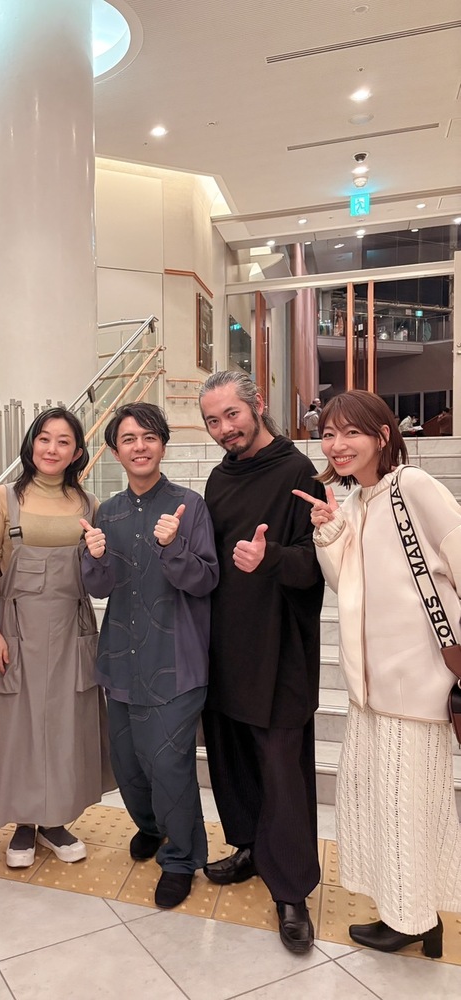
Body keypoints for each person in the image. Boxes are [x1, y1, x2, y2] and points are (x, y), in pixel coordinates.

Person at [294, 389, 461, 958]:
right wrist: (329, 531)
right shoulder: (360, 501)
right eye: (329, 434)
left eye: (351, 432)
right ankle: (413, 914)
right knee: (387, 806)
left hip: (415, 685)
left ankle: (413, 919)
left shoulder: (413, 487)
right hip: (371, 690)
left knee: (406, 808)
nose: (336, 445)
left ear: (383, 435)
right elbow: (347, 585)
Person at [198, 371, 324, 954]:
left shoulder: (299, 473)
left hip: (280, 650)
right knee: (232, 760)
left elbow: (316, 565)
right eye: (213, 421)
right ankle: (250, 847)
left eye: (232, 414)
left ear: (258, 405)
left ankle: (292, 889)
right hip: (224, 644)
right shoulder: (218, 479)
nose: (225, 428)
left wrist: (269, 557)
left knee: (282, 772)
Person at [81, 403, 218, 909]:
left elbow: (205, 579)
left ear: (162, 444)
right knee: (127, 762)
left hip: (175, 660)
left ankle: (181, 858)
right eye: (128, 439)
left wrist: (173, 546)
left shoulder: (188, 506)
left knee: (168, 764)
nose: (139, 446)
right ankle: (152, 826)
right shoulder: (108, 512)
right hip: (122, 656)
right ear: (114, 451)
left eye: (148, 437)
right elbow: (100, 587)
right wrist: (94, 556)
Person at [0, 408, 111, 869]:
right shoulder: (3, 500)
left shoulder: (89, 504)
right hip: (16, 631)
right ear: (31, 443)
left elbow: (99, 571)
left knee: (67, 725)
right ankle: (23, 822)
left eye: (63, 441)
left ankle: (55, 821)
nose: (52, 449)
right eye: (44, 438)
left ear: (77, 452)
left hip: (73, 630)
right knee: (20, 726)